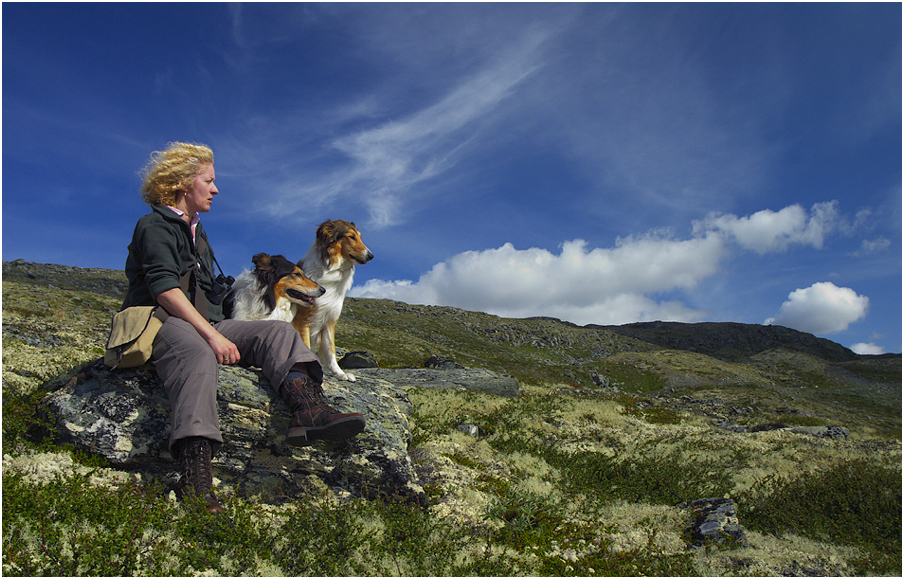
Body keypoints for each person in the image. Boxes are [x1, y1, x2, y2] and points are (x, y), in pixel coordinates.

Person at [121, 141, 365, 513]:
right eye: (209, 181)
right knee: (197, 352)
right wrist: (213, 334)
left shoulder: (196, 232)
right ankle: (196, 477)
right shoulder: (154, 225)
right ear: (184, 183)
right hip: (161, 321)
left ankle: (308, 410)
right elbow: (165, 290)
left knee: (279, 332)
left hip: (206, 320)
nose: (216, 189)